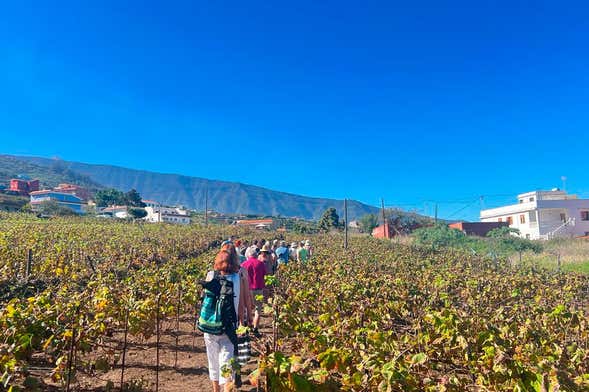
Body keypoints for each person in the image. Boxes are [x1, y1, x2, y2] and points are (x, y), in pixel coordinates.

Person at [203, 249, 253, 392]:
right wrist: (243, 321)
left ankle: (215, 390)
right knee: (227, 363)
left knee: (213, 362)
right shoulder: (237, 278)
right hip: (229, 327)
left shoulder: (210, 275)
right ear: (234, 262)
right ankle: (227, 390)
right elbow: (241, 304)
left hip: (210, 325)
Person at [241, 246, 266, 335]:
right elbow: (264, 274)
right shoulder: (261, 264)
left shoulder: (244, 264)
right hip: (258, 289)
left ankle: (247, 327)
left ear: (248, 255)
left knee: (247, 309)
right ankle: (255, 329)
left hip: (247, 290)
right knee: (257, 310)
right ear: (256, 255)